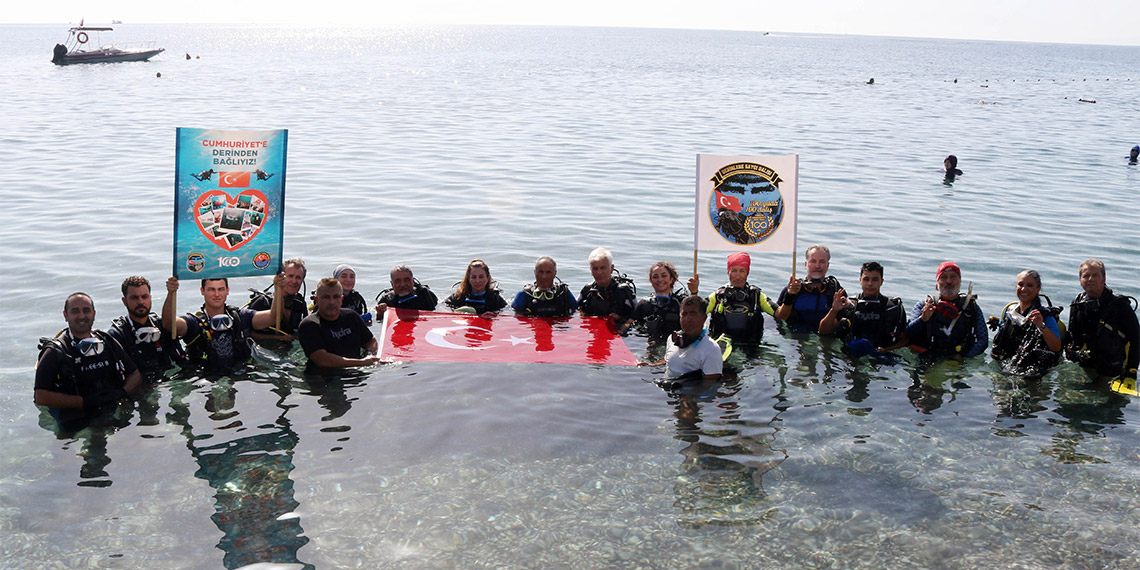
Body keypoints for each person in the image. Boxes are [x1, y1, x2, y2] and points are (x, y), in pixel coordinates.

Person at [35, 293, 142, 430]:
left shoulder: (106, 341)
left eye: (86, 310)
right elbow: (40, 396)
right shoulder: (56, 351)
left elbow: (135, 374)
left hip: (114, 412)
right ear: (65, 315)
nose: (81, 316)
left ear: (94, 314)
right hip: (76, 419)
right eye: (75, 311)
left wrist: (122, 392)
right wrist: (83, 402)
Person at [162, 274, 283, 373]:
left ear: (227, 291)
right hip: (203, 378)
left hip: (241, 373)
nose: (216, 294)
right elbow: (169, 324)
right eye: (211, 289)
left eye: (221, 289)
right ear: (202, 291)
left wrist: (278, 289)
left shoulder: (241, 318)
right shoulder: (194, 323)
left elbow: (273, 317)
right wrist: (171, 293)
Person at [1065, 259, 1139, 380]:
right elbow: (1073, 335)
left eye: (1095, 275)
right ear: (1080, 280)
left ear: (1104, 278)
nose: (1090, 279)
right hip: (1086, 365)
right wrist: (1073, 352)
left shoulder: (1119, 306)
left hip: (1113, 369)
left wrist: (1131, 371)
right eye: (1086, 276)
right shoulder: (1078, 303)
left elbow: (1136, 340)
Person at [819, 261, 907, 353]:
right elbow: (823, 332)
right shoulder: (849, 305)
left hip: (881, 356)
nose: (870, 283)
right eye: (866, 279)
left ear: (881, 282)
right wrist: (834, 310)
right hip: (850, 354)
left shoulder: (892, 308)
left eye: (875, 279)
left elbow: (905, 340)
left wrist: (886, 350)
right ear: (860, 280)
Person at [107, 276, 185, 380]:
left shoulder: (162, 325)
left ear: (150, 298)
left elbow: (171, 322)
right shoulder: (118, 335)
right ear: (124, 301)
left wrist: (171, 292)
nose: (140, 302)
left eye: (144, 297)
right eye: (134, 298)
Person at [905, 262, 988, 359]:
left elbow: (983, 340)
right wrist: (922, 319)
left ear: (960, 281)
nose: (948, 281)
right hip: (927, 358)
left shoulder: (971, 307)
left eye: (953, 276)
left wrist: (964, 358)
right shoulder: (924, 305)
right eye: (943, 277)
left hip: (959, 360)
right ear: (937, 284)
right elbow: (907, 334)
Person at [990, 270, 1063, 378]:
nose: (1024, 289)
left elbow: (1056, 347)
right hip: (1007, 366)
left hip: (1035, 373)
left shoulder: (1045, 317)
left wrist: (1041, 325)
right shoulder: (1009, 312)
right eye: (1020, 284)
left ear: (1038, 288)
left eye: (1030, 285)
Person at [690, 251, 775, 343]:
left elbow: (780, 314)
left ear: (747, 272)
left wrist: (787, 296)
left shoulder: (756, 296)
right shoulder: (718, 296)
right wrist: (694, 292)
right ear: (728, 272)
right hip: (719, 345)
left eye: (742, 271)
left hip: (751, 346)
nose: (738, 275)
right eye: (734, 271)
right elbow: (695, 313)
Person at [297, 278, 379, 368]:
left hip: (357, 371)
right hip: (325, 375)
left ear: (342, 299)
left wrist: (369, 354)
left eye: (336, 297)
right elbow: (322, 360)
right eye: (326, 297)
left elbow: (371, 341)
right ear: (317, 300)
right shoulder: (309, 325)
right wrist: (361, 363)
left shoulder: (351, 316)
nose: (331, 302)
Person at [639, 295, 723, 382]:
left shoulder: (711, 349)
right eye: (684, 314)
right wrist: (652, 365)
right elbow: (669, 360)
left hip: (688, 389)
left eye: (693, 313)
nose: (688, 319)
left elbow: (709, 385)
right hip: (668, 385)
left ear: (704, 318)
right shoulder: (672, 339)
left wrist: (686, 392)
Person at [775, 244, 843, 331]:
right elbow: (780, 317)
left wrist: (835, 310)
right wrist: (790, 296)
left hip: (824, 335)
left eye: (822, 262)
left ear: (828, 265)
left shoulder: (836, 291)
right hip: (794, 335)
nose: (817, 266)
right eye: (813, 261)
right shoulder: (793, 288)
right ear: (806, 264)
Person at [248, 258, 309, 341]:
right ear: (281, 277)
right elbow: (247, 333)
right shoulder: (263, 302)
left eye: (298, 278)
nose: (294, 281)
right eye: (290, 276)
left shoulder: (300, 304)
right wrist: (279, 338)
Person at [577, 247, 636, 324]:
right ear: (590, 270)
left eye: (603, 268)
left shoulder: (624, 291)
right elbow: (574, 309)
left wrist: (620, 318)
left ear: (611, 268)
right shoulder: (587, 290)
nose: (599, 272)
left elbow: (637, 316)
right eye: (595, 268)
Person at [632, 261, 686, 338]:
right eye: (655, 277)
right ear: (651, 280)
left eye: (664, 276)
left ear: (671, 279)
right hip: (648, 341)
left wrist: (694, 292)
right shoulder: (644, 304)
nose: (660, 280)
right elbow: (632, 323)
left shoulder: (681, 303)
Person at [513, 256, 577, 317]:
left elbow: (577, 313)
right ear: (535, 272)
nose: (544, 276)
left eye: (548, 272)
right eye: (541, 272)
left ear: (555, 273)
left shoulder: (563, 293)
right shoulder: (524, 294)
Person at [374, 264, 438, 319]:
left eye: (406, 280)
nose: (403, 284)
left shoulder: (425, 294)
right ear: (392, 284)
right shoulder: (387, 301)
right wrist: (380, 313)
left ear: (413, 281)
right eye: (398, 281)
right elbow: (379, 321)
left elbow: (439, 310)